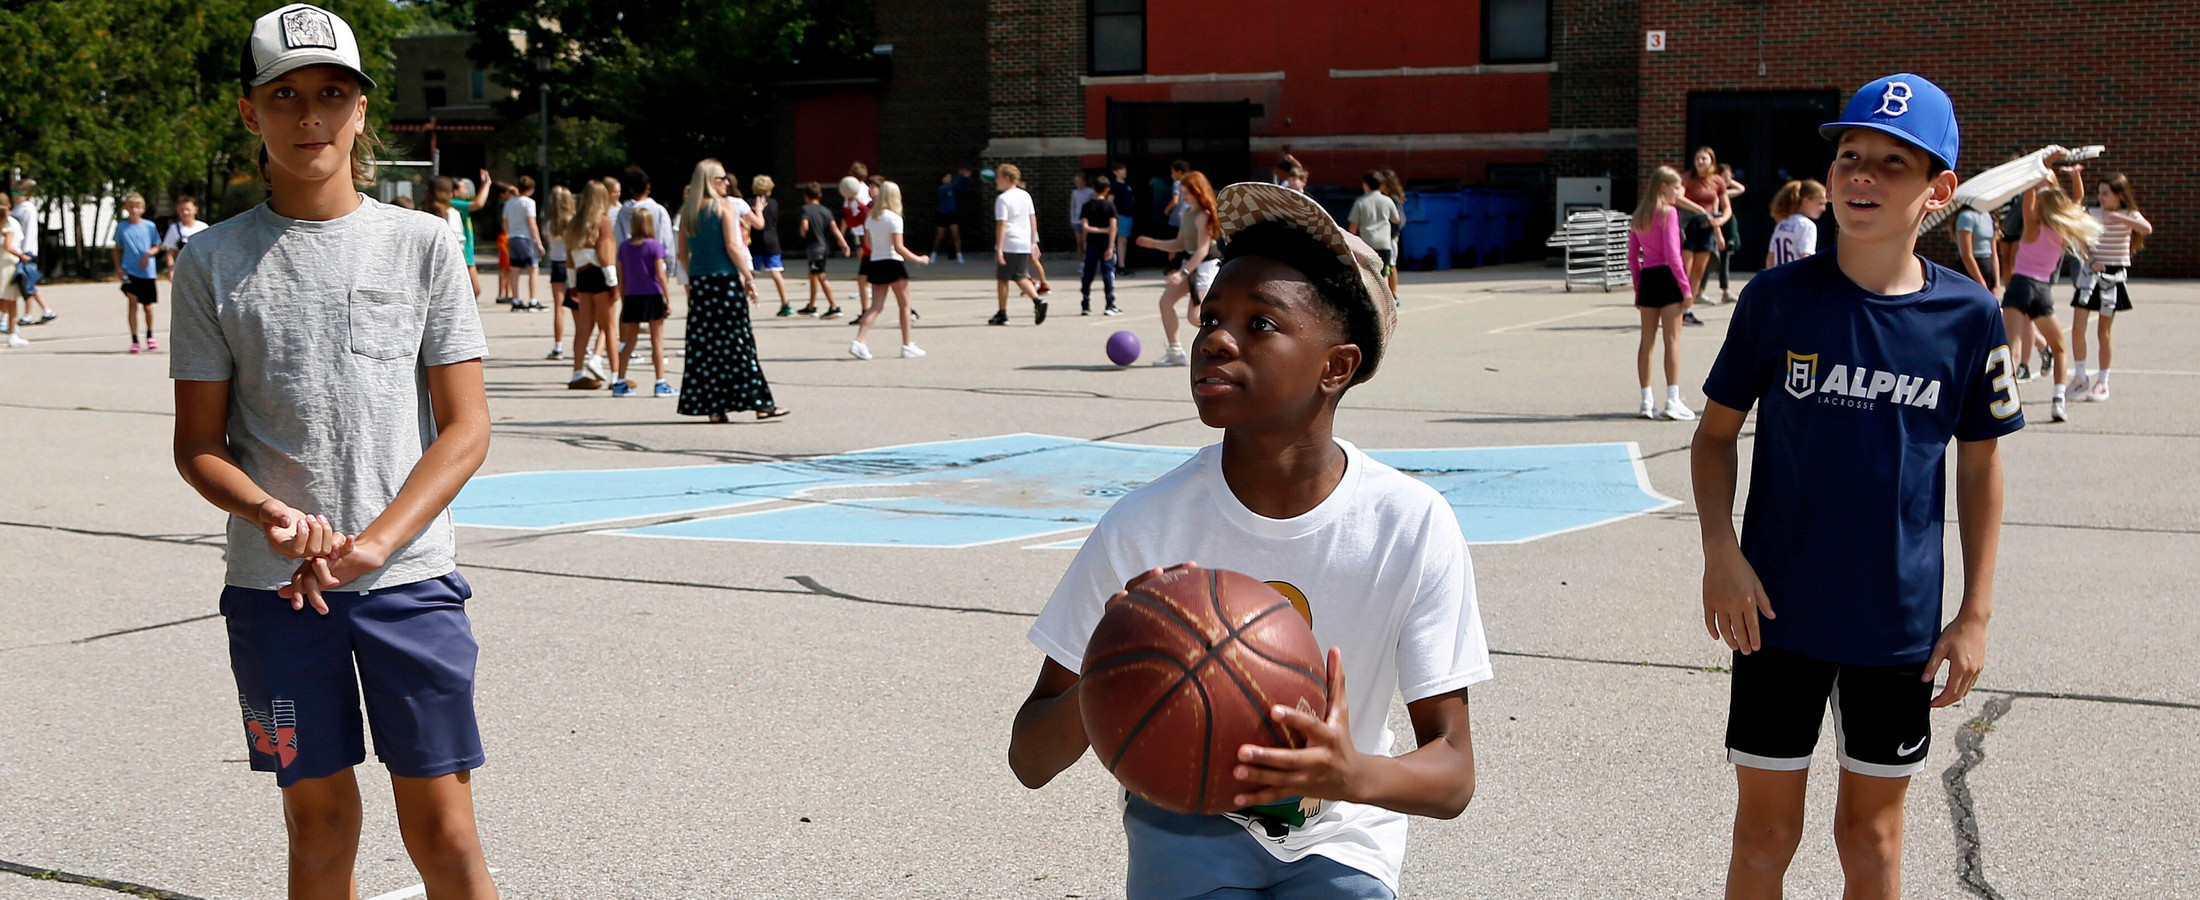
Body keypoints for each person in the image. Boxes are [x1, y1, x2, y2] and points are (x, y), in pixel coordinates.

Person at [1011, 180, 1486, 900]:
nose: (1217, 339)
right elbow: (1029, 757)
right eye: (1212, 317)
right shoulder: (1146, 525)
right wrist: (1121, 671)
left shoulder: (1408, 523)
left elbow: (1452, 774)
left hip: (1345, 834)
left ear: (1336, 366)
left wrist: (1349, 774)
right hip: (1183, 823)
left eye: (1261, 323)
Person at [170, 7, 499, 896]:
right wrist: (267, 510)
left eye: (330, 93)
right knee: (317, 823)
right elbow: (198, 445)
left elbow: (466, 427)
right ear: (251, 112)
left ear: (361, 109)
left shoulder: (423, 243)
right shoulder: (210, 261)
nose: (308, 115)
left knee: (445, 827)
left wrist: (381, 541)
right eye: (285, 96)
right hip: (276, 593)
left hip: (411, 582)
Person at [1693, 74, 2018, 900]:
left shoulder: (1969, 316)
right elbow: (1715, 435)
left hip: (1896, 625)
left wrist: (1974, 612)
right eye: (1849, 157)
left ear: (1939, 190)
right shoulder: (1777, 300)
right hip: (1775, 612)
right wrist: (1720, 552)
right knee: (1765, 833)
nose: (1863, 174)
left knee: (1870, 838)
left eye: (1893, 163)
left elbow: (1980, 465)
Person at [677, 158, 787, 422]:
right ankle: (760, 403)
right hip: (725, 280)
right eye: (722, 178)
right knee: (738, 342)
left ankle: (715, 408)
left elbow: (682, 254)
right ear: (710, 181)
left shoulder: (688, 212)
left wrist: (696, 276)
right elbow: (732, 245)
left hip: (701, 283)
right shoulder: (722, 207)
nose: (727, 182)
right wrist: (748, 276)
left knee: (706, 346)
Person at [2006, 162, 2095, 422]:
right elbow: (2077, 199)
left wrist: (2036, 174)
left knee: (2011, 349)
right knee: (2059, 348)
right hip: (2042, 291)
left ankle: (2004, 404)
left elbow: (2028, 197)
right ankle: (2058, 400)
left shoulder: (2032, 224)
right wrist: (2076, 175)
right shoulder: (2063, 228)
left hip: (2020, 287)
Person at [2068, 172, 2153, 404]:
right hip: (2091, 274)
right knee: (2078, 327)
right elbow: (2080, 239)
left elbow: (2146, 229)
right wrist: (2090, 259)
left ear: (2119, 195)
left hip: (2113, 277)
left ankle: (2103, 381)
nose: (2101, 197)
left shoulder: (2129, 214)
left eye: (2106, 193)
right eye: (2100, 193)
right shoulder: (2092, 213)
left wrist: (2118, 217)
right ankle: (2080, 376)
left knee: (2103, 331)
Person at [1627, 166, 1698, 421]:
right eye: (1676, 187)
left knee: (1647, 341)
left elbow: (1632, 258)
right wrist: (1685, 287)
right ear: (1663, 187)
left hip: (1648, 278)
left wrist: (1638, 288)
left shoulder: (1639, 216)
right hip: (1668, 278)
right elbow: (1672, 254)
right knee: (1672, 340)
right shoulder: (1669, 213)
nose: (1680, 192)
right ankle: (1672, 398)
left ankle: (1646, 400)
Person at [1133, 171, 1218, 366]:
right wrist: (1153, 243)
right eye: (1183, 192)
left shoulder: (1203, 216)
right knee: (1166, 302)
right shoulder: (1186, 213)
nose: (1184, 196)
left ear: (1198, 191)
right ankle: (1175, 351)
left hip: (1205, 267)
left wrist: (1182, 273)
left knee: (1196, 316)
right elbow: (1180, 244)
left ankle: (1228, 341)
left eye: (1187, 192)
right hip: (1190, 264)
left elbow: (1203, 250)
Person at [850, 180, 932, 360]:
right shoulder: (895, 218)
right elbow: (899, 247)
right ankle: (907, 344)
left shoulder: (871, 217)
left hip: (876, 262)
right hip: (893, 263)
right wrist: (919, 259)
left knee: (876, 306)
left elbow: (868, 244)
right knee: (904, 305)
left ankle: (859, 340)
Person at [613, 209, 675, 398]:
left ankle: (620, 381)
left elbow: (621, 276)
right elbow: (660, 274)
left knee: (629, 341)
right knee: (656, 339)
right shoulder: (655, 246)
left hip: (632, 296)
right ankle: (660, 382)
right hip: (652, 294)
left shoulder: (624, 247)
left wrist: (624, 298)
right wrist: (667, 298)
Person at [563, 180, 618, 390]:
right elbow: (604, 255)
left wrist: (572, 284)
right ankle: (616, 375)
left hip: (581, 275)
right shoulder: (602, 221)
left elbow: (570, 258)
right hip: (600, 275)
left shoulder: (574, 223)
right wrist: (613, 283)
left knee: (584, 327)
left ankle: (577, 373)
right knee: (609, 327)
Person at [1678, 147, 1729, 326]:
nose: (1700, 162)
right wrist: (1699, 209)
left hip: (1708, 228)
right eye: (1698, 158)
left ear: (1711, 162)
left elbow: (1726, 207)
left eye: (1704, 159)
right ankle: (1676, 307)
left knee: (1699, 271)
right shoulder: (1686, 178)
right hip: (1690, 225)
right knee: (1685, 267)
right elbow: (1678, 197)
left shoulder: (1717, 181)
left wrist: (1721, 221)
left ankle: (1687, 310)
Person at [991, 163, 1046, 326]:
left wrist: (999, 248)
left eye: (998, 178)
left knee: (1003, 279)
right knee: (1019, 276)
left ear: (1007, 179)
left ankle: (1003, 313)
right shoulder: (1025, 195)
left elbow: (1002, 224)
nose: (996, 181)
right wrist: (1033, 241)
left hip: (1010, 242)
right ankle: (1038, 301)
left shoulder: (1003, 199)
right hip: (1023, 242)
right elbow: (1032, 218)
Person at [113, 192, 162, 353]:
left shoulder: (149, 226)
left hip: (147, 271)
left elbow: (157, 245)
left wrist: (148, 254)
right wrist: (119, 268)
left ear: (142, 209)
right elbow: (116, 248)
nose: (134, 210)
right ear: (127, 208)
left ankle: (150, 335)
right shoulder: (122, 227)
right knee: (132, 302)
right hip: (130, 270)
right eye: (131, 207)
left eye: (137, 207)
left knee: (147, 306)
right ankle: (134, 339)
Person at [1347, 171, 1402, 304]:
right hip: (1384, 243)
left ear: (1366, 185)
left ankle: (1370, 301)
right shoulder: (1387, 201)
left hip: (1367, 244)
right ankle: (1387, 301)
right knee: (1384, 273)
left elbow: (1352, 229)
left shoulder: (1361, 202)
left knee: (1367, 274)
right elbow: (1396, 219)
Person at [1695, 162, 1746, 304]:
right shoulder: (1715, 195)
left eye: (1731, 175)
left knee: (1725, 261)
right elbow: (1715, 214)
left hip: (1728, 229)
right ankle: (1699, 292)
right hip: (1719, 230)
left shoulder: (1724, 192)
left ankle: (1725, 291)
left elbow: (1741, 188)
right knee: (1710, 261)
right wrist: (1718, 235)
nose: (1730, 178)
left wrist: (1728, 180)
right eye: (1727, 175)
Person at [797, 182, 849, 319]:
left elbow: (805, 225)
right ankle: (811, 306)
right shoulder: (826, 211)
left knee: (820, 276)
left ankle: (834, 306)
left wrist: (802, 232)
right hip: (824, 247)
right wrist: (843, 243)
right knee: (813, 275)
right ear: (820, 195)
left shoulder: (805, 209)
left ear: (805, 196)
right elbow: (834, 228)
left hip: (814, 248)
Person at [749, 175, 793, 317]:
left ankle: (738, 302)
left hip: (756, 241)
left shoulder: (749, 203)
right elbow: (774, 219)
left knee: (749, 273)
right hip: (772, 240)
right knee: (776, 272)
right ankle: (785, 303)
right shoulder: (773, 203)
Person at [11, 179, 53, 325]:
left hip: (26, 251)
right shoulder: (17, 208)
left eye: (19, 192)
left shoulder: (27, 209)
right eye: (14, 192)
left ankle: (28, 314)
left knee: (26, 283)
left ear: (27, 194)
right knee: (27, 284)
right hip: (18, 250)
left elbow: (29, 231)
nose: (16, 195)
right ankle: (47, 310)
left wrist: (26, 252)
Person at [1077, 176, 1120, 316]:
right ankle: (1109, 303)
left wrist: (1088, 238)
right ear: (1107, 190)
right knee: (1107, 273)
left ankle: (1085, 303)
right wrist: (1110, 245)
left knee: (1088, 273)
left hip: (1091, 243)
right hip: (1105, 243)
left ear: (1093, 189)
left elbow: (1085, 227)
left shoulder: (1087, 206)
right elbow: (1113, 228)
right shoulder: (1110, 206)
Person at [502, 175, 543, 310]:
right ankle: (533, 300)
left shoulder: (509, 202)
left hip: (513, 237)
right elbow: (532, 223)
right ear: (530, 189)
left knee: (515, 269)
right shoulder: (529, 203)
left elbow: (505, 221)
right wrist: (538, 242)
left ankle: (516, 300)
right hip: (526, 238)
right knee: (533, 269)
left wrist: (509, 234)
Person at [1764, 179, 1826, 268]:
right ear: (1806, 201)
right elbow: (1805, 258)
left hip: (1779, 277)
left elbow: (1770, 258)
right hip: (1795, 278)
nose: (1823, 208)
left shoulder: (1782, 224)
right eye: (1820, 203)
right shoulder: (1807, 226)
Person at [544, 185, 574, 358]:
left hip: (557, 264)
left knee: (558, 307)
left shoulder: (549, 225)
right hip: (571, 264)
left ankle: (558, 346)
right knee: (579, 309)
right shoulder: (573, 223)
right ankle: (583, 346)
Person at [451, 170, 491, 298]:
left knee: (473, 291)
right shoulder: (453, 203)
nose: (466, 191)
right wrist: (487, 184)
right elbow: (478, 203)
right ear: (454, 191)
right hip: (463, 252)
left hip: (468, 252)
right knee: (473, 290)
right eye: (463, 188)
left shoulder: (460, 204)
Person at [1952, 196, 1998, 294]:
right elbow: (1966, 255)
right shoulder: (1966, 216)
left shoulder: (1988, 216)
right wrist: (1981, 283)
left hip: (1987, 267)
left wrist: (1997, 283)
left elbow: (1994, 253)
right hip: (1971, 269)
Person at [839, 175, 872, 307]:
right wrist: (848, 205)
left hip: (882, 249)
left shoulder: (878, 207)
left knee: (894, 282)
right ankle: (864, 312)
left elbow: (868, 212)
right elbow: (853, 221)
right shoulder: (866, 205)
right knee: (862, 278)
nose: (872, 190)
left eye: (875, 187)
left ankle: (909, 310)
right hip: (869, 249)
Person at [162, 195, 212, 276]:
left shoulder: (203, 227)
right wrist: (171, 270)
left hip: (201, 271)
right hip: (182, 271)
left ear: (195, 209)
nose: (185, 213)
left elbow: (210, 250)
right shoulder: (174, 228)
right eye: (182, 210)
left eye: (188, 209)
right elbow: (170, 252)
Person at [0, 206, 24, 347]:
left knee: (3, 301)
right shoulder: (8, 227)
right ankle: (12, 335)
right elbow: (9, 246)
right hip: (7, 266)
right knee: (11, 302)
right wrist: (22, 256)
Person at [1109, 161, 1137, 276]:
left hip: (1129, 214)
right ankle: (1120, 265)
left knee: (1123, 240)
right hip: (1121, 215)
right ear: (1115, 172)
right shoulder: (1115, 186)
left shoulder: (1127, 184)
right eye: (1121, 169)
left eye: (1124, 169)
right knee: (1121, 240)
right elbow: (1110, 201)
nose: (1124, 171)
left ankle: (1121, 264)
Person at [934, 170, 968, 263]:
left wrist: (966, 179)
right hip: (942, 214)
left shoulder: (952, 188)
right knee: (940, 237)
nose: (949, 179)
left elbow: (961, 188)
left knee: (956, 235)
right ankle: (934, 254)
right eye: (947, 177)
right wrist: (961, 176)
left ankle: (959, 255)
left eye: (950, 177)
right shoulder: (942, 189)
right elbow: (954, 185)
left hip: (952, 214)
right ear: (942, 179)